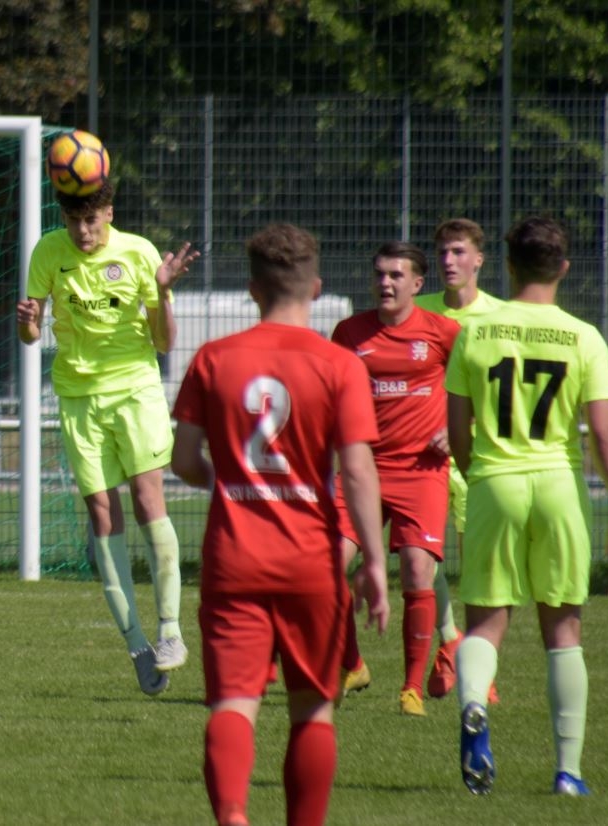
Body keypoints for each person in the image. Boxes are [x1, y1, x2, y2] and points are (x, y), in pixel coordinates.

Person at [170, 223, 390, 826]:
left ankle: (233, 816)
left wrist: (230, 481)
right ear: (315, 288)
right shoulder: (340, 365)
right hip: (311, 563)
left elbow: (183, 460)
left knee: (232, 704)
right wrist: (374, 561)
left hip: (234, 559)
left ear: (252, 289)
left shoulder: (213, 359)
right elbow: (357, 471)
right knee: (313, 712)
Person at [449, 215, 608, 796]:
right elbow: (602, 436)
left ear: (508, 266)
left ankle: (474, 703)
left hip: (495, 481)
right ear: (563, 268)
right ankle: (568, 772)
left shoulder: (474, 333)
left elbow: (458, 430)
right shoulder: (584, 336)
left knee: (485, 622)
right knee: (564, 629)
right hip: (558, 485)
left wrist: (482, 474)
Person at [16, 180, 198, 695]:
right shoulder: (48, 252)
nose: (82, 231)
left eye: (91, 220)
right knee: (101, 511)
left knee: (147, 498)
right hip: (78, 398)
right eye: (74, 221)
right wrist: (29, 323)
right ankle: (138, 644)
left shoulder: (139, 253)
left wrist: (164, 291)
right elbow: (30, 336)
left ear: (109, 214)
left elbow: (164, 342)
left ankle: (170, 631)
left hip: (136, 390)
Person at [331, 241, 462, 716]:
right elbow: (331, 393)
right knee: (326, 563)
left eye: (396, 275)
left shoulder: (444, 332)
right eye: (380, 274)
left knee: (415, 568)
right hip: (361, 468)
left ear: (417, 284)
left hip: (420, 471)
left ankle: (411, 690)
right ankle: (353, 664)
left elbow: (474, 389)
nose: (385, 283)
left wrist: (457, 428)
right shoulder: (349, 332)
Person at [415, 218, 504, 701]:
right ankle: (451, 640)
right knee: (423, 559)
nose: (449, 261)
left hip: (476, 456)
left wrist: (461, 431)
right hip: (422, 460)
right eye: (443, 253)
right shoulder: (418, 310)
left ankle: (475, 660)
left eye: (458, 252)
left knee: (479, 569)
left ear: (479, 260)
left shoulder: (499, 317)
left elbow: (503, 395)